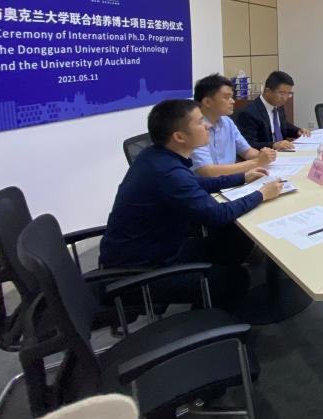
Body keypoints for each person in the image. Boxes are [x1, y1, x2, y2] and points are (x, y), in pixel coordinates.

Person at [100, 99, 283, 311]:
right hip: (142, 268)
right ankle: (209, 319)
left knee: (234, 237)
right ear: (179, 137)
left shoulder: (156, 156)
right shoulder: (168, 172)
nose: (206, 125)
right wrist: (261, 194)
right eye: (199, 122)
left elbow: (196, 183)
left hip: (161, 246)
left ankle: (211, 289)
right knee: (236, 278)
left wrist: (242, 177)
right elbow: (217, 214)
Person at [191, 73, 278, 177]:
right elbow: (208, 172)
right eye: (227, 97)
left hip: (231, 180)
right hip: (209, 184)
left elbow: (247, 151)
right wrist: (256, 162)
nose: (232, 101)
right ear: (207, 102)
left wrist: (263, 155)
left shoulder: (227, 122)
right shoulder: (193, 128)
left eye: (232, 97)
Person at [234, 70, 309, 151]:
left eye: (288, 94)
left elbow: (283, 125)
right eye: (282, 93)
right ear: (267, 91)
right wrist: (273, 145)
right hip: (264, 155)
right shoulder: (249, 113)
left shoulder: (278, 105)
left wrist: (297, 131)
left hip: (283, 153)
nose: (285, 98)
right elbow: (248, 144)